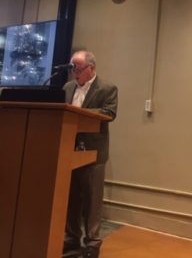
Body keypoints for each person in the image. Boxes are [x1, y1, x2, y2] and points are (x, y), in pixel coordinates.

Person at [63, 50, 118, 258]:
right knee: (71, 198)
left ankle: (92, 243)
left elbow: (109, 113)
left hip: (94, 152)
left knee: (92, 200)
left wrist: (80, 114)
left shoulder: (107, 88)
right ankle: (71, 238)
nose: (74, 73)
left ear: (91, 68)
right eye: (72, 68)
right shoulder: (67, 87)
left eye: (77, 68)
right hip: (68, 150)